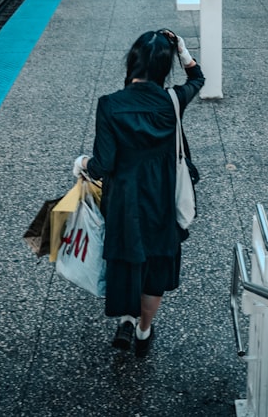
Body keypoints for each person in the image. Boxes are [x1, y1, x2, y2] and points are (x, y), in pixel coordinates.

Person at [72, 29, 204, 357]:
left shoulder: (110, 106)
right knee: (156, 266)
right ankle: (144, 330)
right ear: (164, 68)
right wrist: (184, 52)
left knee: (128, 260)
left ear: (132, 62)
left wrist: (81, 163)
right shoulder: (173, 101)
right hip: (162, 200)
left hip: (124, 202)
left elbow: (103, 165)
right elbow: (198, 79)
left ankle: (127, 319)